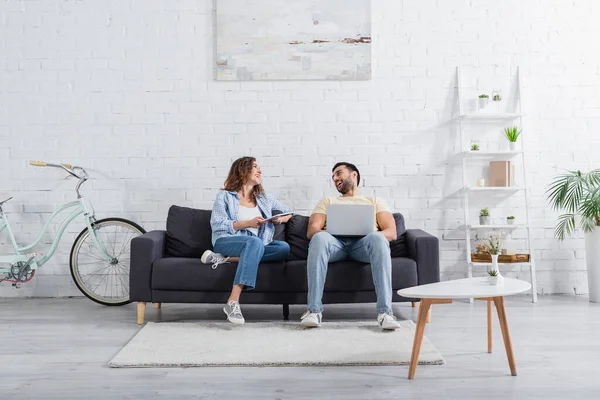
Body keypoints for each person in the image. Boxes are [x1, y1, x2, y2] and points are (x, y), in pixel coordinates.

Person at [300, 162, 401, 330]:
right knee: (319, 238)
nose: (335, 179)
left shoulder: (374, 201)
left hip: (363, 246)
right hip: (334, 245)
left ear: (354, 175)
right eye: (333, 177)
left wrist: (373, 236)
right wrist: (328, 233)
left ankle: (385, 313)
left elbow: (391, 232)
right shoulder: (328, 201)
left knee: (379, 239)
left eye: (338, 173)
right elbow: (312, 231)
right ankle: (314, 311)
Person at [202, 156, 293, 325]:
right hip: (227, 240)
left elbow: (289, 212)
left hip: (256, 244)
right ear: (243, 170)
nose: (260, 170)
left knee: (283, 247)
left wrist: (281, 219)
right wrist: (248, 223)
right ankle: (233, 301)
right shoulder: (225, 196)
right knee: (255, 244)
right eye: (255, 167)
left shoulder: (264, 198)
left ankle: (224, 259)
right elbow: (218, 223)